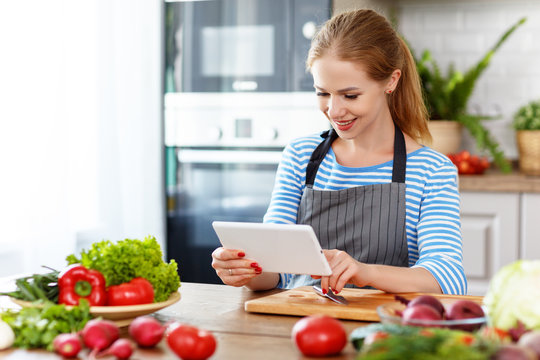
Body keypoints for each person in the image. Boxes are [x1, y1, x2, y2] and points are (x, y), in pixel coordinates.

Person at [211, 9, 467, 295]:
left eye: (350, 95)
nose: (334, 110)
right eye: (323, 93)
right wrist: (244, 269)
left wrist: (364, 272)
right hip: (299, 327)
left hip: (384, 332)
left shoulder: (431, 170)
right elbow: (275, 273)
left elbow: (447, 279)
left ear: (391, 81)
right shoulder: (301, 157)